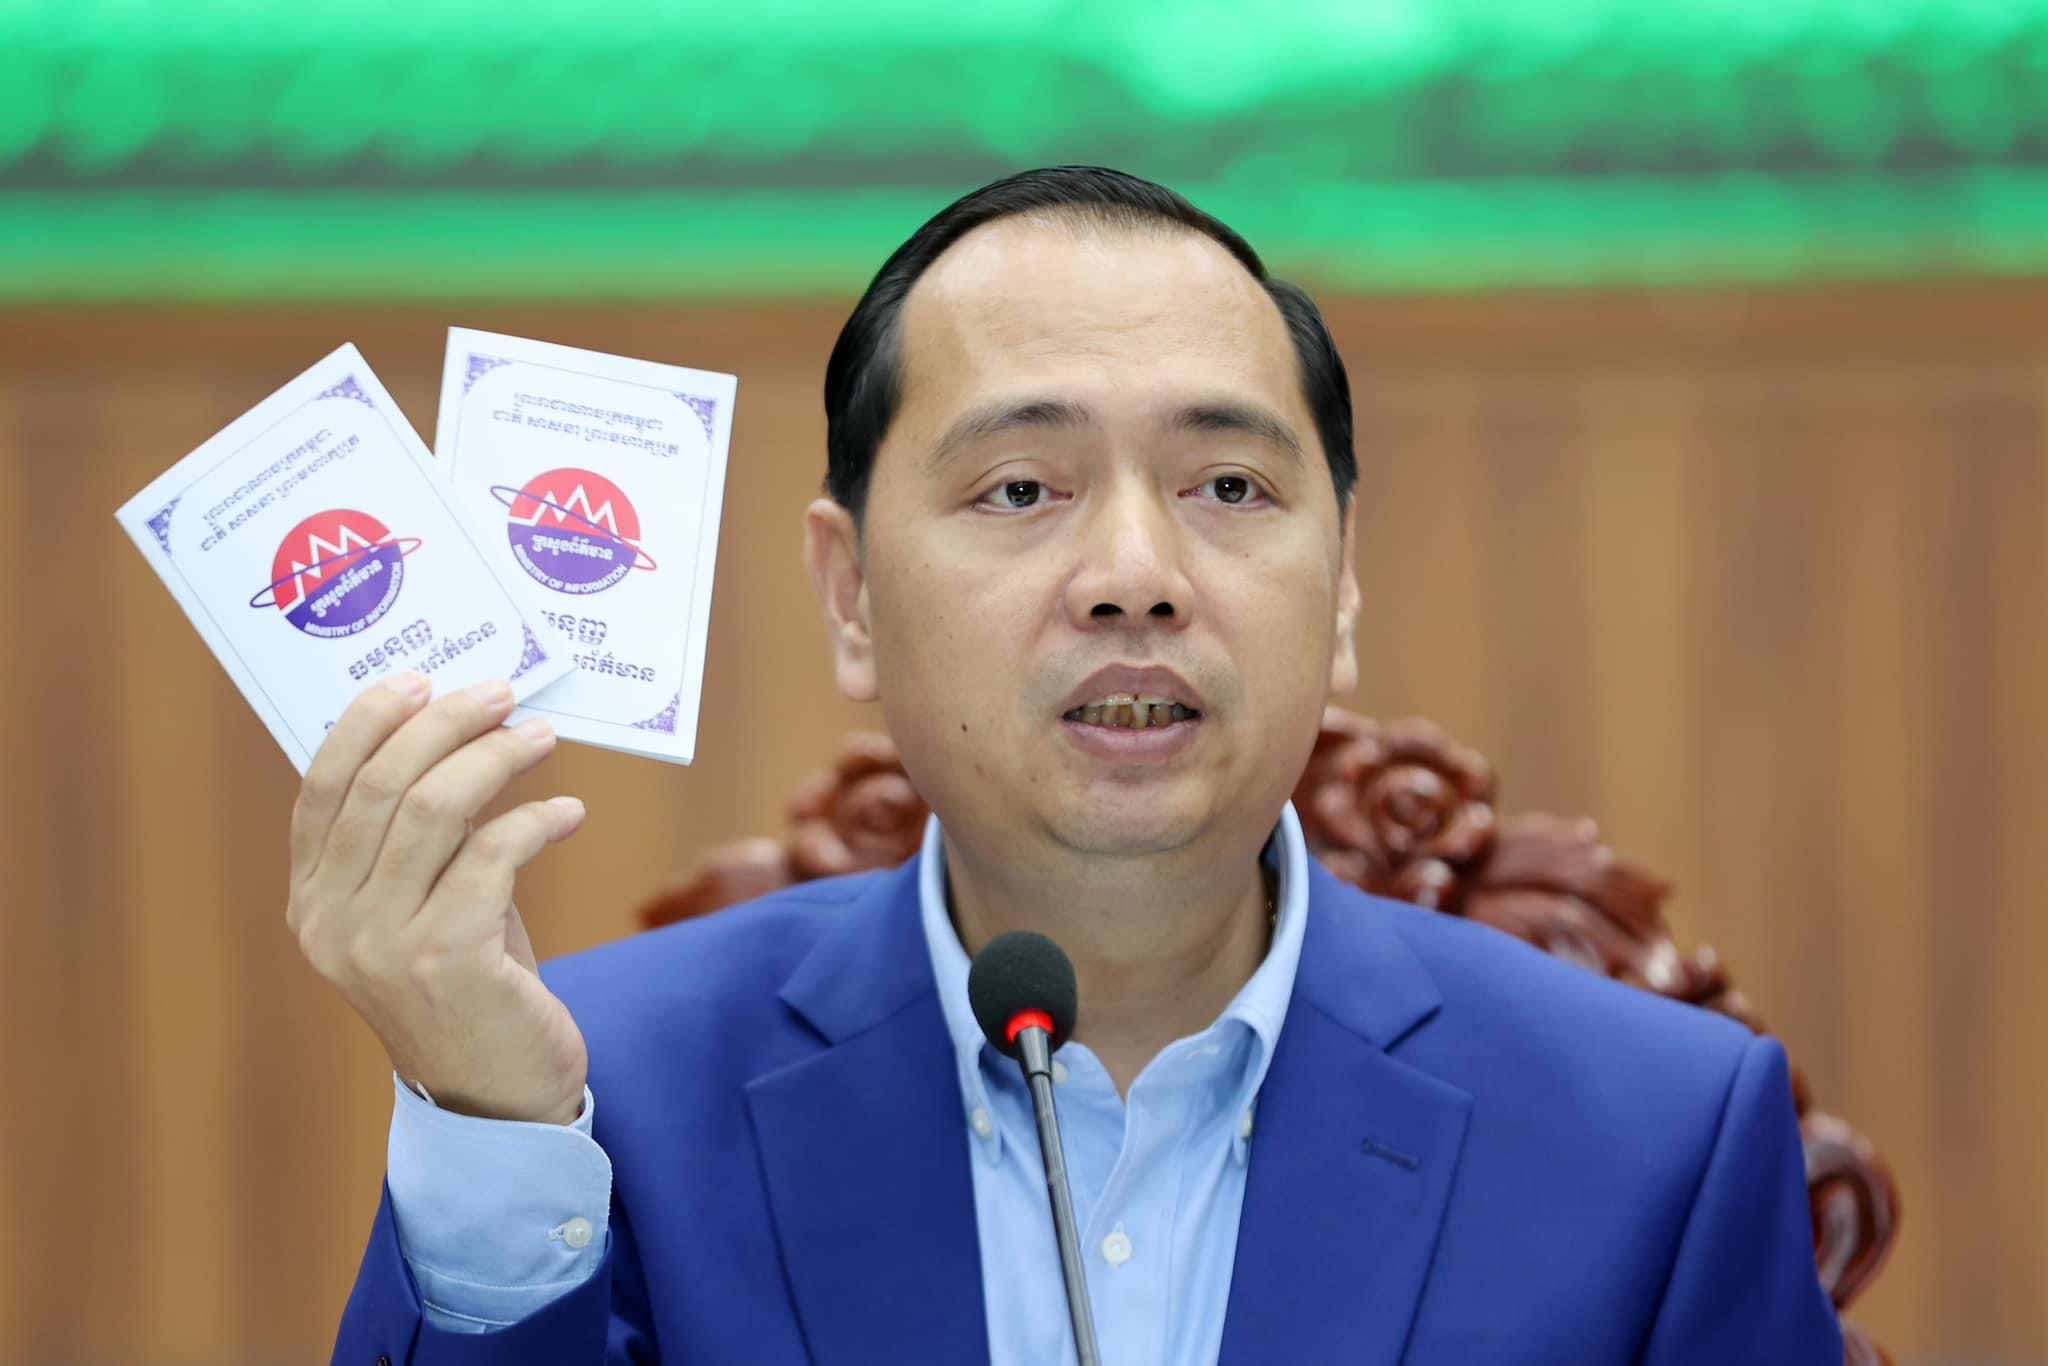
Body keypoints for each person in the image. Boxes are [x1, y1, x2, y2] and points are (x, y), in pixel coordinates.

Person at [306, 167, 1841, 1363]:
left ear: (1343, 587)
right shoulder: (594, 1110)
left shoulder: (1661, 1138)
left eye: (1227, 484)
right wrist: (492, 1133)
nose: (1133, 577)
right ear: (850, 595)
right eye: (1021, 487)